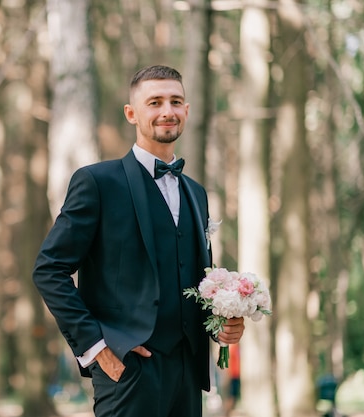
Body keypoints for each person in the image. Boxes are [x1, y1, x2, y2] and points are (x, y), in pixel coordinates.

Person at [33, 64, 245, 417]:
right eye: (155, 102)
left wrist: (222, 320)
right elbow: (48, 270)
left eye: (176, 102)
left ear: (187, 111)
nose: (167, 111)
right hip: (127, 371)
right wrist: (98, 347)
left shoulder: (196, 193)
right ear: (132, 113)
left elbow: (193, 277)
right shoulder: (98, 183)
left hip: (188, 374)